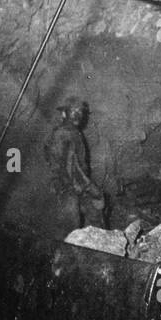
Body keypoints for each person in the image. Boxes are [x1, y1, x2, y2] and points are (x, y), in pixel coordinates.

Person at [45, 99, 107, 233]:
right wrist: (91, 188)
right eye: (73, 111)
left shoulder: (71, 132)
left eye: (80, 112)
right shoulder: (64, 134)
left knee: (95, 218)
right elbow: (72, 167)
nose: (78, 115)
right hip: (69, 188)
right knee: (71, 229)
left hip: (74, 186)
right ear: (64, 114)